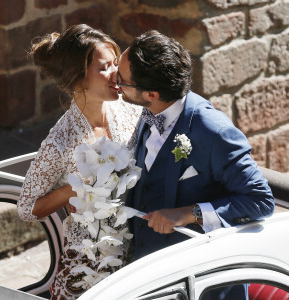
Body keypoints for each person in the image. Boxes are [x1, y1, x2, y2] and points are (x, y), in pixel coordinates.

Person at [117, 30, 275, 299]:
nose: (115, 83)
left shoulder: (215, 132)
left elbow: (260, 200)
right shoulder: (149, 111)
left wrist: (190, 213)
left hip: (200, 284)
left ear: (151, 94)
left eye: (122, 80)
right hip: (151, 276)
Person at [17, 24, 141, 300]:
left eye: (115, 65)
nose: (116, 75)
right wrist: (72, 190)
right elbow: (26, 208)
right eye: (105, 67)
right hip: (86, 267)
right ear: (79, 77)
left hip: (138, 256)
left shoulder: (132, 113)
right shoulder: (60, 141)